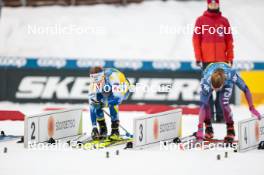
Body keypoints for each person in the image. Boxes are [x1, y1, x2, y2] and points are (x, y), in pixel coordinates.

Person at [196, 63, 261, 143]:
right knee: (206, 103)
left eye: (217, 89)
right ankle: (208, 127)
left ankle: (230, 129)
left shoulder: (231, 75)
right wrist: (200, 128)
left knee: (224, 103)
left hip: (226, 75)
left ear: (223, 84)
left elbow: (245, 89)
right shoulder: (206, 81)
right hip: (209, 71)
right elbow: (202, 105)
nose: (215, 90)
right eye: (213, 88)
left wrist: (252, 108)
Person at [192, 0, 234, 123]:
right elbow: (196, 40)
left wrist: (230, 57)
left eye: (215, 3)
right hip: (207, 62)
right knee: (208, 91)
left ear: (218, 4)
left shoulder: (224, 21)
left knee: (221, 91)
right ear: (208, 4)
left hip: (222, 62)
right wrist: (198, 58)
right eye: (211, 3)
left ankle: (221, 117)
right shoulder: (200, 20)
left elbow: (229, 41)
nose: (213, 5)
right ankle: (208, 117)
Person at [88, 66, 130, 140]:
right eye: (95, 81)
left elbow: (118, 99)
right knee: (96, 103)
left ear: (103, 76)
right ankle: (103, 129)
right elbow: (92, 106)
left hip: (123, 86)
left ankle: (115, 130)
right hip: (107, 88)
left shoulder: (113, 78)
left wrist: (104, 104)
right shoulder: (93, 85)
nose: (97, 84)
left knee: (112, 103)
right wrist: (94, 127)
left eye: (98, 81)